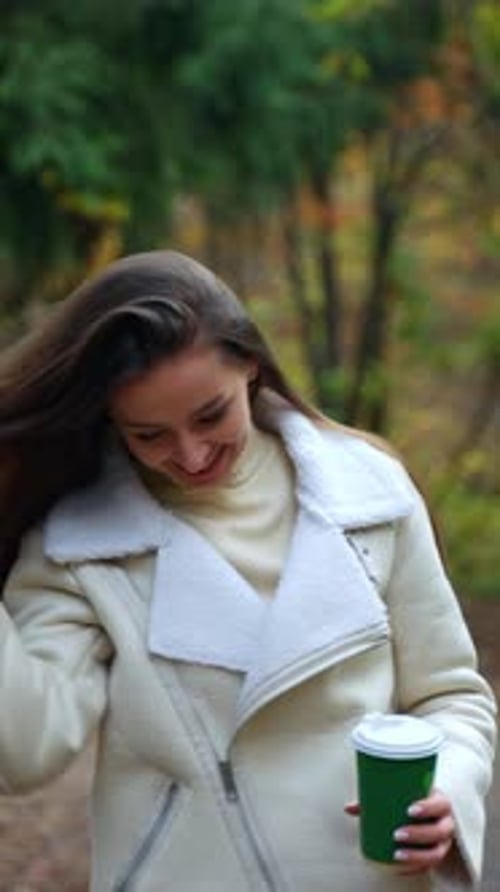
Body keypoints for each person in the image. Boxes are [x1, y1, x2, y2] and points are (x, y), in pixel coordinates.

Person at [0, 250, 495, 892]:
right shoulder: (80, 547)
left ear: (251, 366)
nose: (192, 453)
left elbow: (451, 696)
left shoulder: (372, 494)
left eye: (211, 415)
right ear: (111, 423)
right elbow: (25, 752)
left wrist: (449, 791)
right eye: (149, 435)